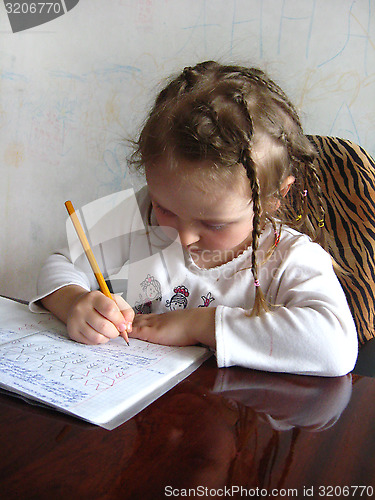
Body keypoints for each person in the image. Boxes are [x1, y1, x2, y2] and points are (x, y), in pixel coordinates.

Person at [29, 61, 358, 376]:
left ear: (274, 197)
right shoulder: (136, 211)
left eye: (214, 224)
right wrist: (73, 303)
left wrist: (199, 324)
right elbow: (60, 263)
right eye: (166, 209)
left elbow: (335, 347)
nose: (183, 237)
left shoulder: (289, 257)